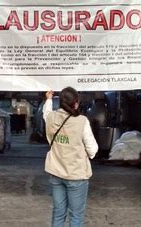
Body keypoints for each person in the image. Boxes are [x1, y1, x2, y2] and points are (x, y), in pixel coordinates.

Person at [43, 87, 98, 227]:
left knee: (58, 213)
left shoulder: (51, 118)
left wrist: (49, 99)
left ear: (60, 102)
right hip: (76, 176)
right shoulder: (82, 121)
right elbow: (93, 149)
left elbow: (46, 113)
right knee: (76, 216)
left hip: (56, 173)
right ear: (76, 103)